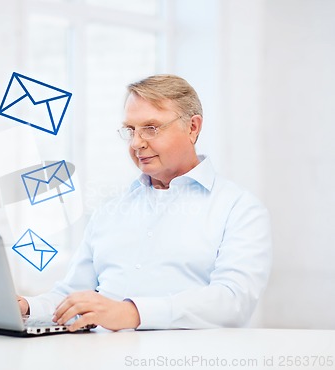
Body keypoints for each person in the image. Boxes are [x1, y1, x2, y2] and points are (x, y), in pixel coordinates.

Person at [18, 74, 272, 332]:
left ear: (193, 127)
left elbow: (233, 302)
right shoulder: (109, 211)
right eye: (131, 130)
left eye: (151, 128)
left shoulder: (239, 209)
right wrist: (28, 307)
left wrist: (134, 313)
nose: (137, 143)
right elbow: (74, 295)